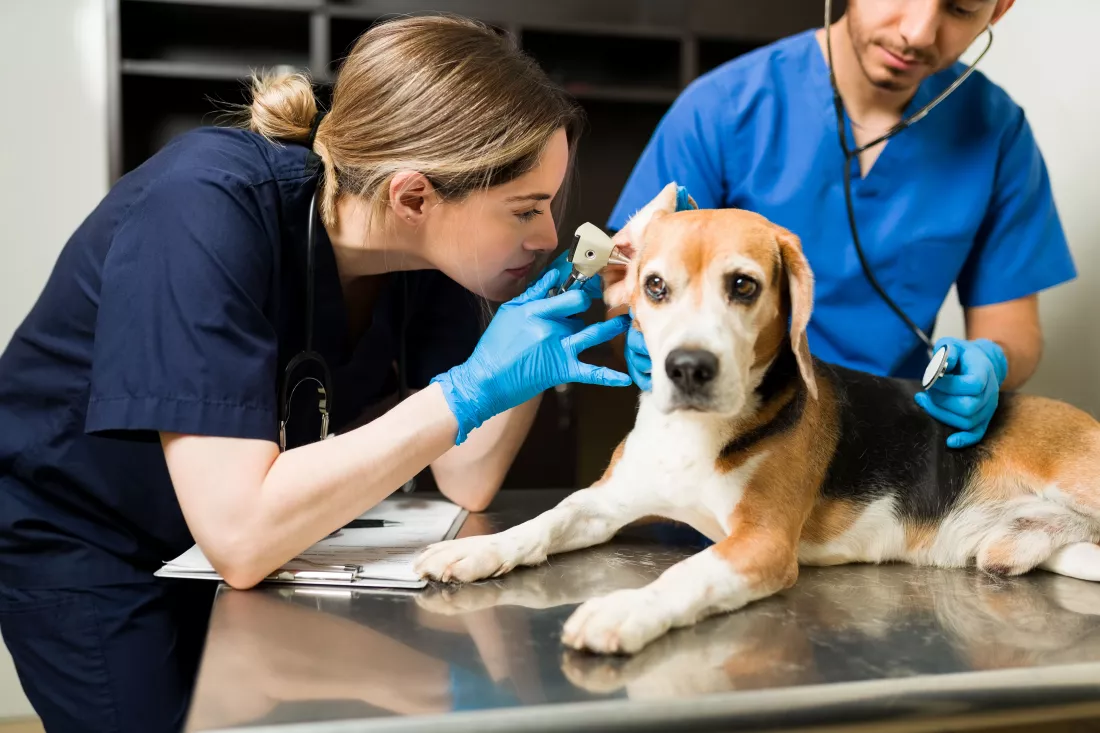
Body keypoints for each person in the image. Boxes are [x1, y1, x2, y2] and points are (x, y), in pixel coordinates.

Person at [0, 16, 631, 733]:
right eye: (525, 210)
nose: (548, 236)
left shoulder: (424, 256)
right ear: (413, 197)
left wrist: (534, 337)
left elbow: (466, 475)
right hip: (85, 534)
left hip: (235, 536)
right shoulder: (202, 207)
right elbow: (241, 536)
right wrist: (468, 389)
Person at [609, 0, 1075, 448]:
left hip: (895, 432)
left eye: (960, 9)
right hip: (735, 427)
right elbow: (630, 286)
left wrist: (991, 362)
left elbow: (1012, 328)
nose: (917, 33)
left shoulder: (997, 131)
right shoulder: (721, 108)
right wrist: (641, 335)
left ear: (998, 10)